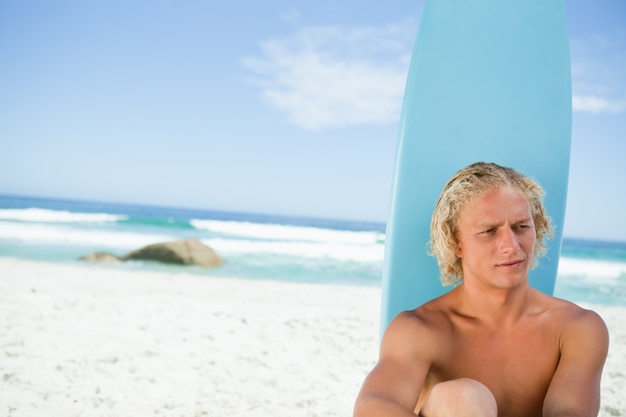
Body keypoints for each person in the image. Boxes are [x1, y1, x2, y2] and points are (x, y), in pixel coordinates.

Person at [354, 162, 609, 417]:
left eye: (521, 227)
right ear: (456, 243)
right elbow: (373, 407)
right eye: (489, 231)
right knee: (462, 398)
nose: (511, 246)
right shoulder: (420, 330)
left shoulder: (576, 329)